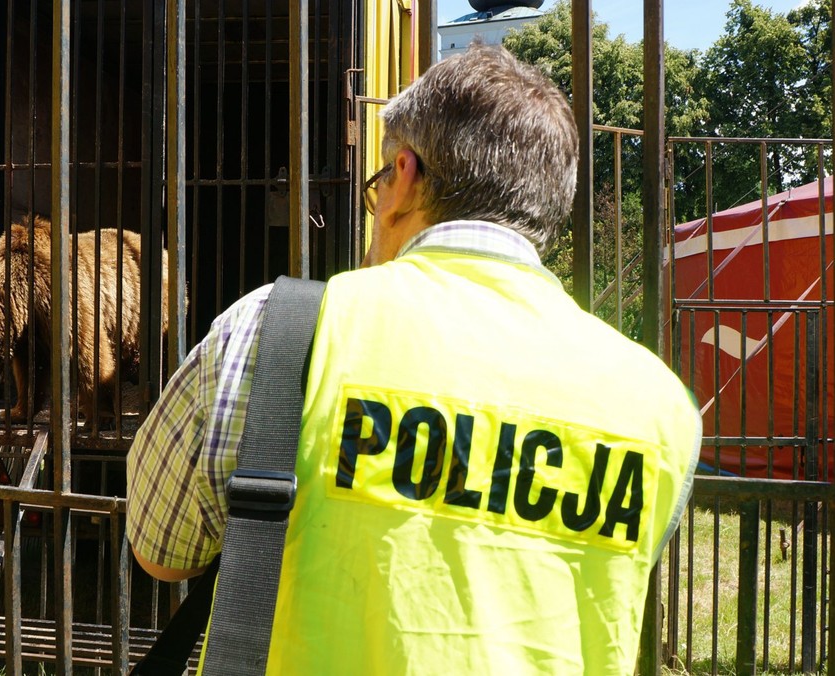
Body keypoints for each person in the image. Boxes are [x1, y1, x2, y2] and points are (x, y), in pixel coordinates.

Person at [127, 43, 701, 673]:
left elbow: (161, 549)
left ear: (402, 176)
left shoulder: (281, 329)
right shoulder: (661, 407)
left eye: (376, 187)